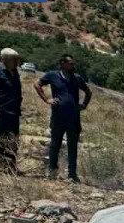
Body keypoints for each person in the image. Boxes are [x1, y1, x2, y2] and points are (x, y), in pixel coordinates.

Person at [36, 54, 91, 182]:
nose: (73, 65)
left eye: (73, 63)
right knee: (55, 143)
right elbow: (37, 85)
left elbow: (88, 92)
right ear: (62, 63)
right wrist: (47, 100)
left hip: (73, 117)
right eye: (70, 63)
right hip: (58, 116)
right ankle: (52, 172)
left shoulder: (77, 78)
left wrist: (84, 105)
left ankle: (72, 174)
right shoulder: (52, 75)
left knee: (73, 145)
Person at [0, 48, 23, 175]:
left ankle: (11, 166)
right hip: (1, 111)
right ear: (6, 60)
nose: (17, 62)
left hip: (14, 112)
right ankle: (3, 166)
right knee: (1, 138)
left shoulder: (15, 73)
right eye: (14, 59)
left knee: (13, 139)